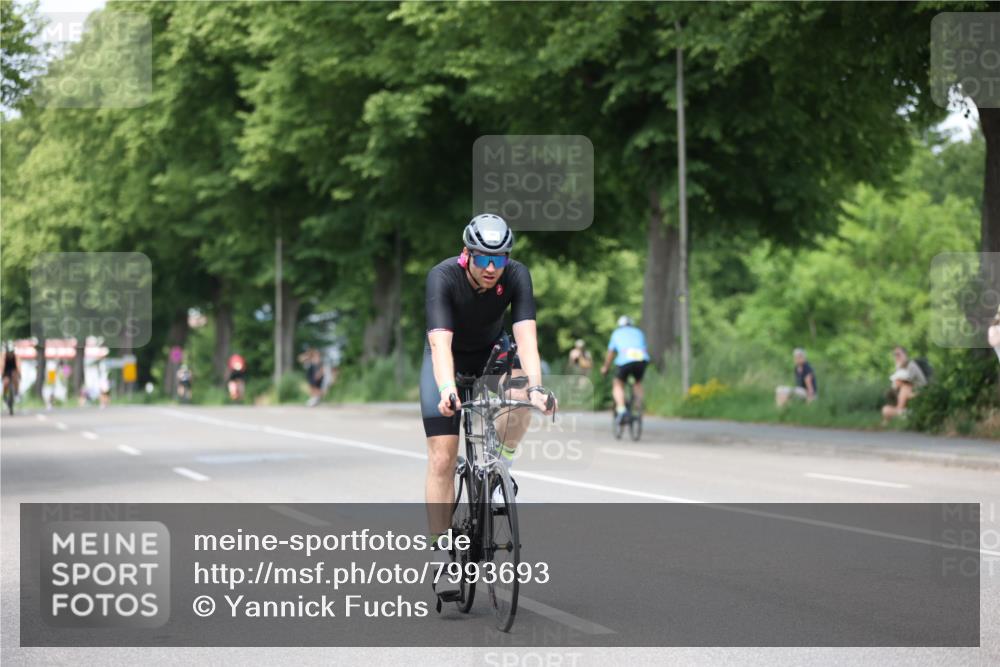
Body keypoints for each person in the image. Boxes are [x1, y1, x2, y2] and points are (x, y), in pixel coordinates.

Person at [421, 213, 556, 599]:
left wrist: (536, 388)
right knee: (442, 459)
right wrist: (448, 389)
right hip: (445, 363)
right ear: (467, 255)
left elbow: (526, 340)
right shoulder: (442, 277)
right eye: (483, 259)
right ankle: (441, 554)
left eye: (500, 259)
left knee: (523, 400)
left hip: (493, 358)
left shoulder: (516, 275)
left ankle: (501, 470)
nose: (492, 268)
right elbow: (439, 346)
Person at [600, 315, 650, 423]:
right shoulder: (638, 332)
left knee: (618, 384)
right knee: (638, 382)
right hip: (642, 359)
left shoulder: (616, 333)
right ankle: (638, 407)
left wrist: (605, 368)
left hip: (625, 360)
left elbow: (610, 354)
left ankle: (622, 410)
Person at [881, 345, 927, 422]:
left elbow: (906, 382)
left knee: (905, 387)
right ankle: (900, 413)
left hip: (919, 391)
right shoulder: (899, 366)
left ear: (905, 354)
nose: (896, 357)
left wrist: (897, 386)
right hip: (908, 392)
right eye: (894, 355)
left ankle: (903, 412)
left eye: (898, 354)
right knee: (886, 407)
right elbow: (896, 384)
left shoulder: (911, 366)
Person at [2, 345, 20, 411]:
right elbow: (2, 366)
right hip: (6, 371)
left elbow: (18, 365)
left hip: (13, 370)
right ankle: (4, 395)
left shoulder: (15, 356)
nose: (10, 354)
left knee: (16, 380)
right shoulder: (4, 357)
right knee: (6, 382)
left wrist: (19, 373)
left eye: (11, 352)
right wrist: (2, 375)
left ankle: (16, 393)